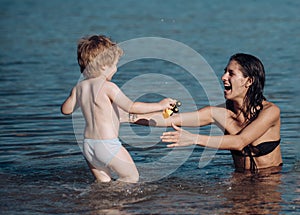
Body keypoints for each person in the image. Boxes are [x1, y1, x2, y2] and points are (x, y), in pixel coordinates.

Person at [127, 53, 282, 173]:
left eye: (231, 73)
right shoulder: (220, 113)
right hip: (240, 179)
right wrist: (127, 117)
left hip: (271, 180)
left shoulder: (270, 112)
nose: (223, 77)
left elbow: (239, 141)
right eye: (224, 72)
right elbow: (171, 119)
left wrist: (193, 138)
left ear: (248, 81)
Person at [61, 35, 176, 183]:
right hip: (107, 144)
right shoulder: (108, 87)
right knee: (131, 177)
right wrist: (160, 105)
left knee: (104, 184)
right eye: (114, 65)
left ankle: (102, 204)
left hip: (88, 145)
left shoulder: (79, 88)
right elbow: (131, 107)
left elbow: (66, 110)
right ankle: (118, 200)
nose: (115, 69)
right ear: (104, 66)